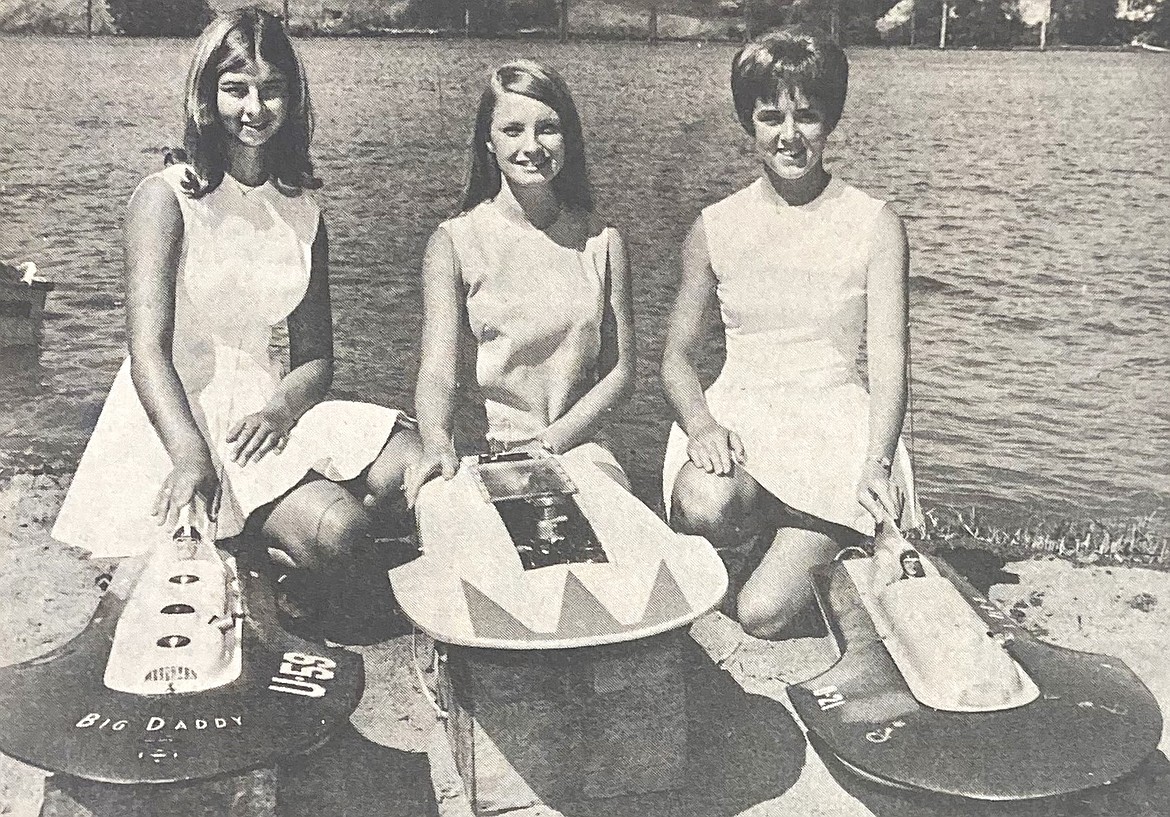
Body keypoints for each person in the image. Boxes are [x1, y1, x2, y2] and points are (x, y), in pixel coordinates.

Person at [52, 7, 418, 637]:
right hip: (178, 412)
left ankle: (272, 537)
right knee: (345, 533)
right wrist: (191, 453)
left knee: (418, 470)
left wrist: (279, 412)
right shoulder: (167, 196)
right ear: (205, 95)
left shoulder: (304, 208)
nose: (255, 107)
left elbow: (315, 358)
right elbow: (146, 349)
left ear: (292, 99)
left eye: (272, 88)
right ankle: (286, 547)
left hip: (267, 407)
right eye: (235, 88)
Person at [661, 27, 921, 639]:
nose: (788, 135)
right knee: (700, 503)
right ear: (747, 121)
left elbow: (889, 361)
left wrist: (877, 462)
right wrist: (701, 426)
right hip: (744, 423)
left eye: (806, 116)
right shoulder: (714, 227)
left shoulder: (876, 225)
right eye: (770, 116)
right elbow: (675, 358)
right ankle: (789, 538)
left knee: (762, 616)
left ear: (829, 118)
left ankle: (833, 543)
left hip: (836, 435)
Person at [406, 60, 635, 504]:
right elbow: (437, 371)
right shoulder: (454, 242)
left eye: (548, 128)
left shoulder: (603, 243)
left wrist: (549, 445)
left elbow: (620, 373)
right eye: (513, 130)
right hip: (489, 456)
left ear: (568, 138)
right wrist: (436, 442)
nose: (532, 146)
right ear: (488, 142)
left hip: (579, 450)